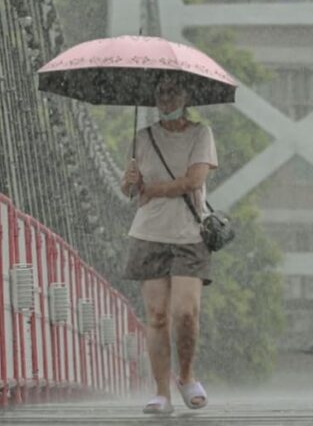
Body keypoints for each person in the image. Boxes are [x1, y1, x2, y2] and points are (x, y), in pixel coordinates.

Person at [121, 75, 218, 416]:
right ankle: (161, 391)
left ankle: (187, 376)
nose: (166, 98)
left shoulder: (200, 134)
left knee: (186, 313)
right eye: (161, 92)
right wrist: (132, 184)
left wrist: (153, 189)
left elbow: (194, 181)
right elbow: (130, 191)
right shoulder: (142, 137)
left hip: (190, 235)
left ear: (187, 95)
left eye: (173, 91)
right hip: (149, 234)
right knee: (157, 316)